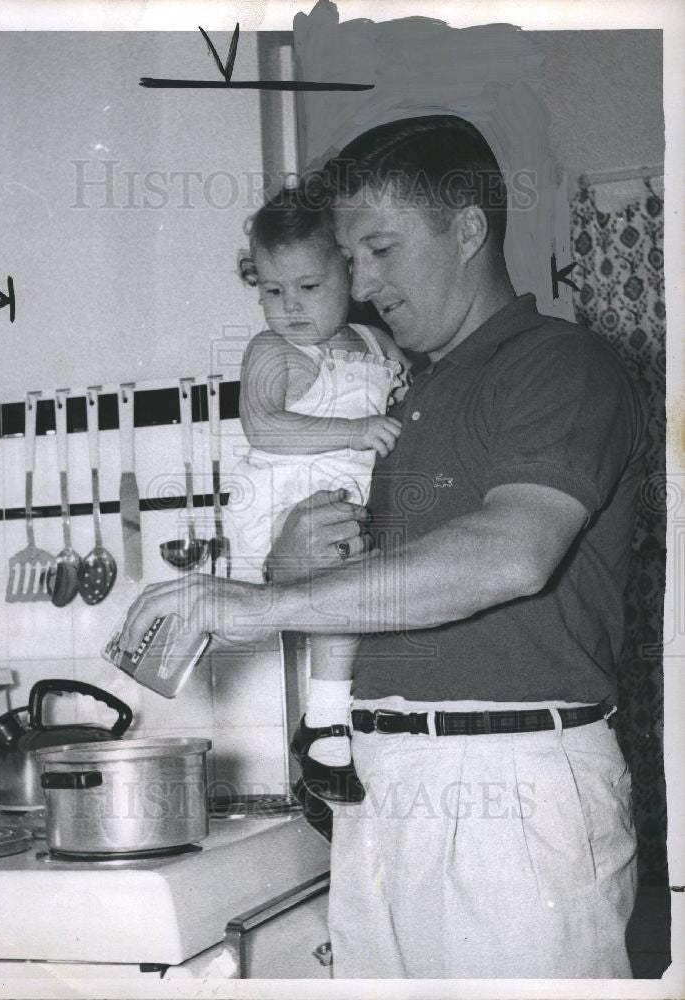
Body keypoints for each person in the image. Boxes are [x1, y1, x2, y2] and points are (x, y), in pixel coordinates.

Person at [122, 115, 647, 979]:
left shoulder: (560, 362)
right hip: (377, 778)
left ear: (467, 229)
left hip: (511, 783)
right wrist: (289, 564)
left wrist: (270, 602)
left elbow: (509, 553)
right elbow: (361, 582)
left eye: (381, 250)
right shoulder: (399, 392)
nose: (361, 282)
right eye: (351, 260)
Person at [226, 187, 408, 799]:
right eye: (272, 291)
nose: (290, 307)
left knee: (355, 595)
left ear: (348, 272)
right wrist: (357, 429)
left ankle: (326, 724)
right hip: (279, 503)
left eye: (308, 287)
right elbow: (264, 427)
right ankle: (326, 723)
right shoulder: (274, 351)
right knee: (344, 589)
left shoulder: (376, 344)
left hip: (338, 501)